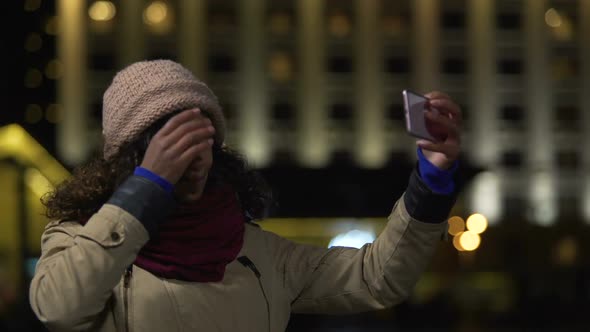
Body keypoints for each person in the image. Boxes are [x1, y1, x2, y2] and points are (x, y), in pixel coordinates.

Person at [29, 60, 463, 332]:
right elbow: (59, 309)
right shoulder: (82, 238)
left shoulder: (255, 251)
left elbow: (376, 278)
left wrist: (431, 180)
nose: (193, 157)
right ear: (130, 155)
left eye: (203, 138)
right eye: (169, 139)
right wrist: (147, 188)